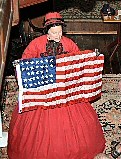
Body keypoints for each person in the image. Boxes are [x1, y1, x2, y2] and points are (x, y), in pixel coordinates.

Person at [7, 12, 106, 159]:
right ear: (47, 32)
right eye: (54, 33)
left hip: (65, 91)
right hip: (42, 92)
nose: (58, 36)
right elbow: (25, 65)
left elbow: (78, 62)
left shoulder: (69, 43)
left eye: (60, 32)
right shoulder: (35, 44)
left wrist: (92, 57)